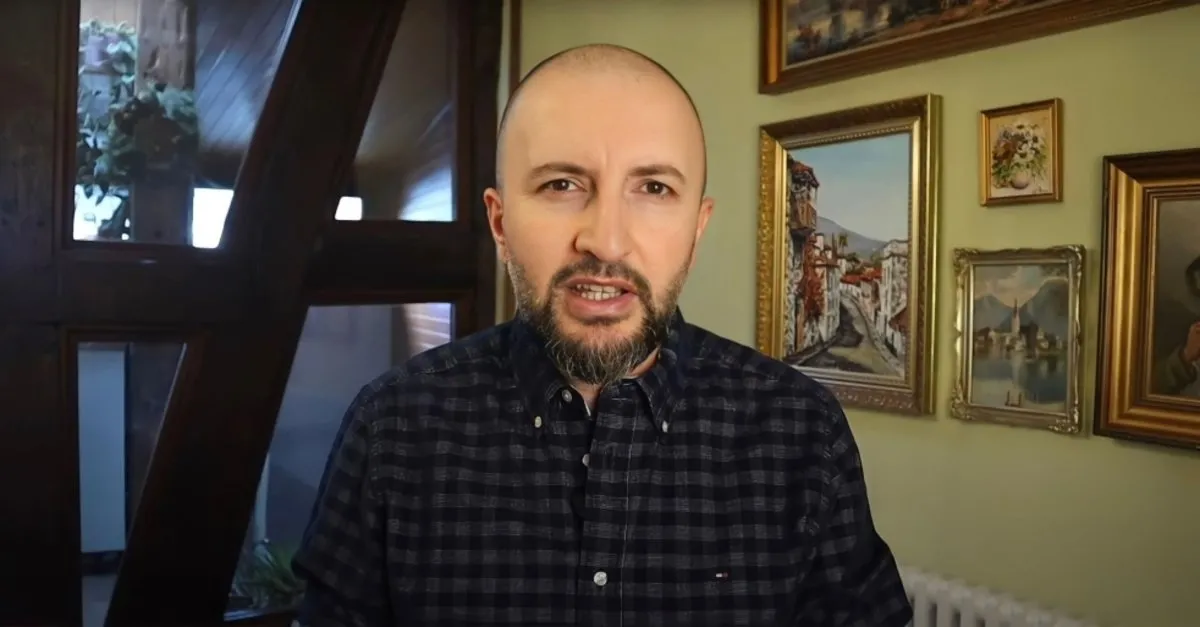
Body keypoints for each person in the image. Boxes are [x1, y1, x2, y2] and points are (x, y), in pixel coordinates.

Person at [292, 43, 912, 626]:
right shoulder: (391, 429)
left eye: (654, 188)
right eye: (561, 185)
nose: (606, 241)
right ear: (500, 223)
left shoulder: (802, 432)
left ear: (696, 229)